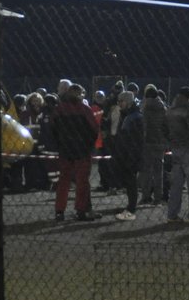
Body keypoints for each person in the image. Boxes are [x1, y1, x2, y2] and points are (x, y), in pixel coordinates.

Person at [50, 84, 99, 221]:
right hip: (82, 151)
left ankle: (60, 211)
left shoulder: (59, 109)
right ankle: (80, 210)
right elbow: (94, 129)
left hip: (65, 150)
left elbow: (53, 128)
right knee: (82, 182)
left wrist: (60, 144)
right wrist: (88, 145)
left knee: (64, 182)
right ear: (80, 94)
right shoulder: (84, 109)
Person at [163, 86, 189, 224]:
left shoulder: (169, 111)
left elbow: (164, 130)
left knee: (176, 185)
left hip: (175, 149)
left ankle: (172, 214)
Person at [109, 90, 144, 220]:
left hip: (130, 156)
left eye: (121, 101)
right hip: (127, 155)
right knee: (130, 183)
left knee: (131, 183)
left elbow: (136, 140)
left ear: (128, 102)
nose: (119, 104)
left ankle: (131, 209)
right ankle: (130, 208)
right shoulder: (129, 115)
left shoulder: (134, 117)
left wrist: (131, 157)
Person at [138, 84, 169, 206]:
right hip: (160, 143)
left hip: (148, 142)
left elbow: (143, 126)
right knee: (158, 172)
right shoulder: (163, 108)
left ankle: (146, 196)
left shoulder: (145, 108)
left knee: (146, 171)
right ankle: (158, 198)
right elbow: (167, 126)